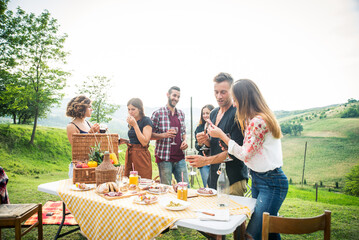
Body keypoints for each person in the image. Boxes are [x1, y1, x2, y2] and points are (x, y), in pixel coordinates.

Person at [206, 79, 289, 240]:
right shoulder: (253, 119)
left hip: (271, 182)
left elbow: (245, 155)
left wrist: (222, 136)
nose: (235, 105)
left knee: (250, 235)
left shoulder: (258, 122)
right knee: (269, 229)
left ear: (244, 100)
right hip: (259, 179)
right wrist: (229, 145)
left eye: (236, 100)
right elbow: (248, 151)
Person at [190, 72, 248, 196]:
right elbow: (216, 145)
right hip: (213, 178)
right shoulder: (213, 113)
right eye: (216, 92)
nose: (219, 96)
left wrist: (205, 161)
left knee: (231, 215)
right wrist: (206, 141)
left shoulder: (238, 114)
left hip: (232, 179)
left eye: (223, 92)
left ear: (232, 92)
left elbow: (235, 153)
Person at [151, 86, 189, 185]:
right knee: (166, 189)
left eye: (178, 97)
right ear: (168, 95)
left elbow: (183, 132)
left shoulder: (181, 114)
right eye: (174, 95)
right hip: (164, 158)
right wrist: (164, 135)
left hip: (180, 157)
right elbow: (150, 135)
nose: (176, 98)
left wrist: (185, 141)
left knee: (185, 187)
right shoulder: (157, 113)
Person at [66, 95, 100, 178]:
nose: (91, 109)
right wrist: (90, 134)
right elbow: (77, 148)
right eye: (89, 107)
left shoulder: (88, 124)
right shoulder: (72, 126)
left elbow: (93, 145)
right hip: (79, 166)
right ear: (80, 109)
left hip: (90, 165)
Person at [122, 98, 153, 179]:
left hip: (141, 156)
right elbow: (135, 139)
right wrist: (125, 141)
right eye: (128, 109)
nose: (130, 112)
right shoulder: (132, 122)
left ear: (139, 109)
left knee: (143, 180)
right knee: (130, 181)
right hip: (131, 154)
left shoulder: (146, 121)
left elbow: (144, 142)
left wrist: (135, 125)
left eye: (133, 109)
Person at [194, 104, 214, 187]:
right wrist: (200, 143)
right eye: (203, 113)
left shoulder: (216, 126)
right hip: (203, 161)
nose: (205, 115)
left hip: (215, 160)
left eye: (207, 113)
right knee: (207, 186)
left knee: (215, 186)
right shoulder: (199, 128)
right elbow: (197, 146)